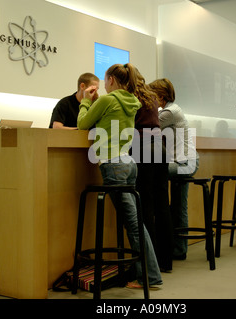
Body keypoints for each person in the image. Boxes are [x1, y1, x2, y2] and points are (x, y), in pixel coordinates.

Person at [77, 63, 163, 289]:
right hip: (128, 162)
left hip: (113, 165)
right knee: (136, 223)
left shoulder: (108, 100)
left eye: (105, 81)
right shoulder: (133, 102)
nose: (104, 85)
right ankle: (148, 275)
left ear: (112, 81)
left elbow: (82, 123)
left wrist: (86, 101)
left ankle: (150, 278)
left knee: (134, 225)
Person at [148, 78, 199, 260]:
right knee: (179, 206)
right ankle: (178, 249)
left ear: (160, 97)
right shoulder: (174, 110)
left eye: (151, 96)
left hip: (183, 163)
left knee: (149, 174)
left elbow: (145, 127)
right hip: (188, 162)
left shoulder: (168, 112)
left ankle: (159, 243)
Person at [131, 69, 173, 273]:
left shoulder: (131, 98)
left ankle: (150, 264)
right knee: (162, 204)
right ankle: (166, 261)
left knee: (145, 204)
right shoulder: (151, 99)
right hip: (160, 148)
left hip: (142, 148)